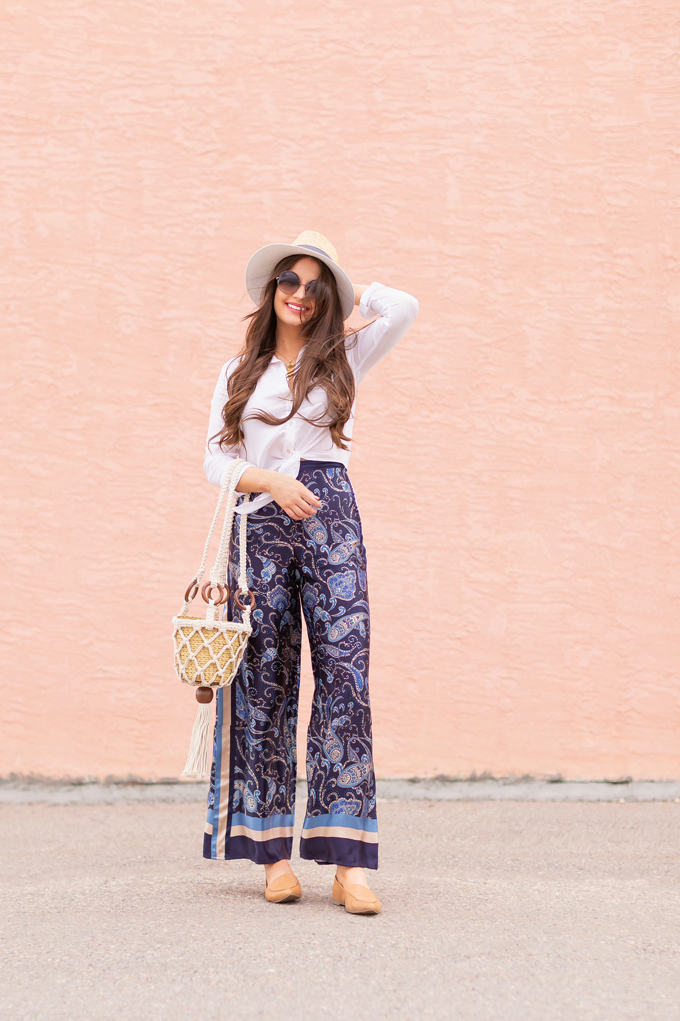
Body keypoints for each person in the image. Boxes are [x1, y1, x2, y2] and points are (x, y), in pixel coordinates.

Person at [202, 231, 418, 915]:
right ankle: (272, 856)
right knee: (262, 682)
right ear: (271, 292)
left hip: (333, 523)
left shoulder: (347, 352)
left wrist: (353, 297)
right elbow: (214, 460)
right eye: (289, 281)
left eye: (314, 285)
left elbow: (405, 307)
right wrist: (268, 479)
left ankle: (348, 863)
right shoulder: (240, 369)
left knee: (345, 679)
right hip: (259, 527)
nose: (300, 294)